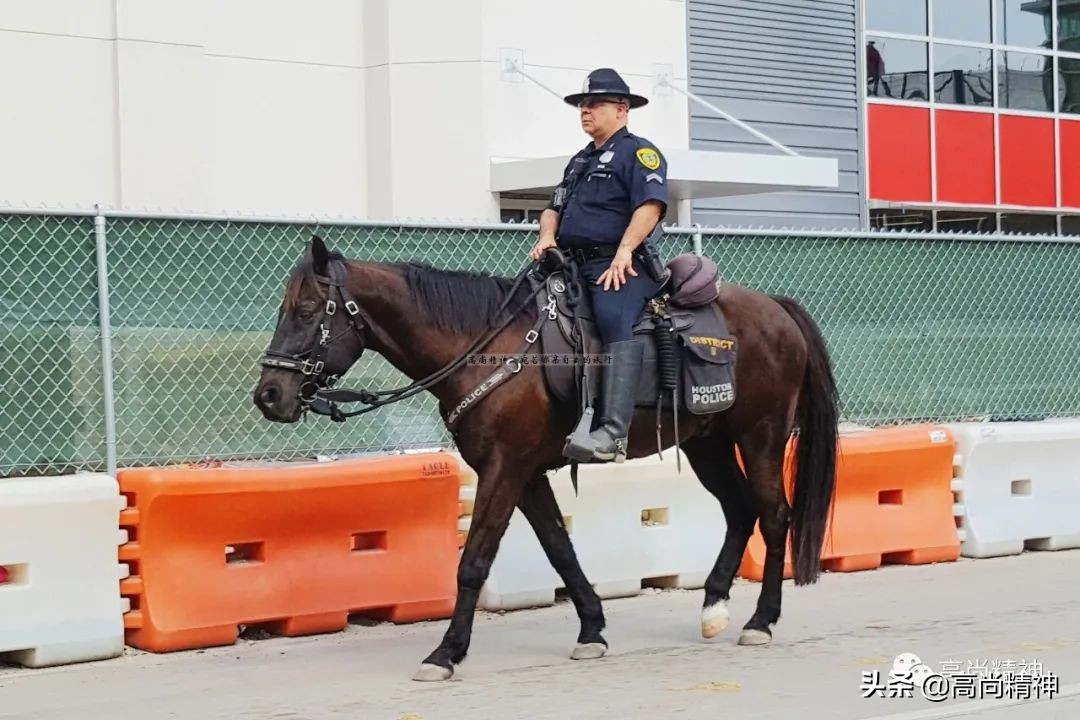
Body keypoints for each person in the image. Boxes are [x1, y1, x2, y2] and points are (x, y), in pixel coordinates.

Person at [528, 67, 669, 463]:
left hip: (619, 265)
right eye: (581, 105)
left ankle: (612, 431)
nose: (584, 111)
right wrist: (546, 236)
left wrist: (625, 250)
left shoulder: (639, 152)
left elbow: (651, 206)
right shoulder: (579, 160)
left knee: (612, 317)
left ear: (622, 109)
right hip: (570, 264)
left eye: (593, 104)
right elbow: (552, 207)